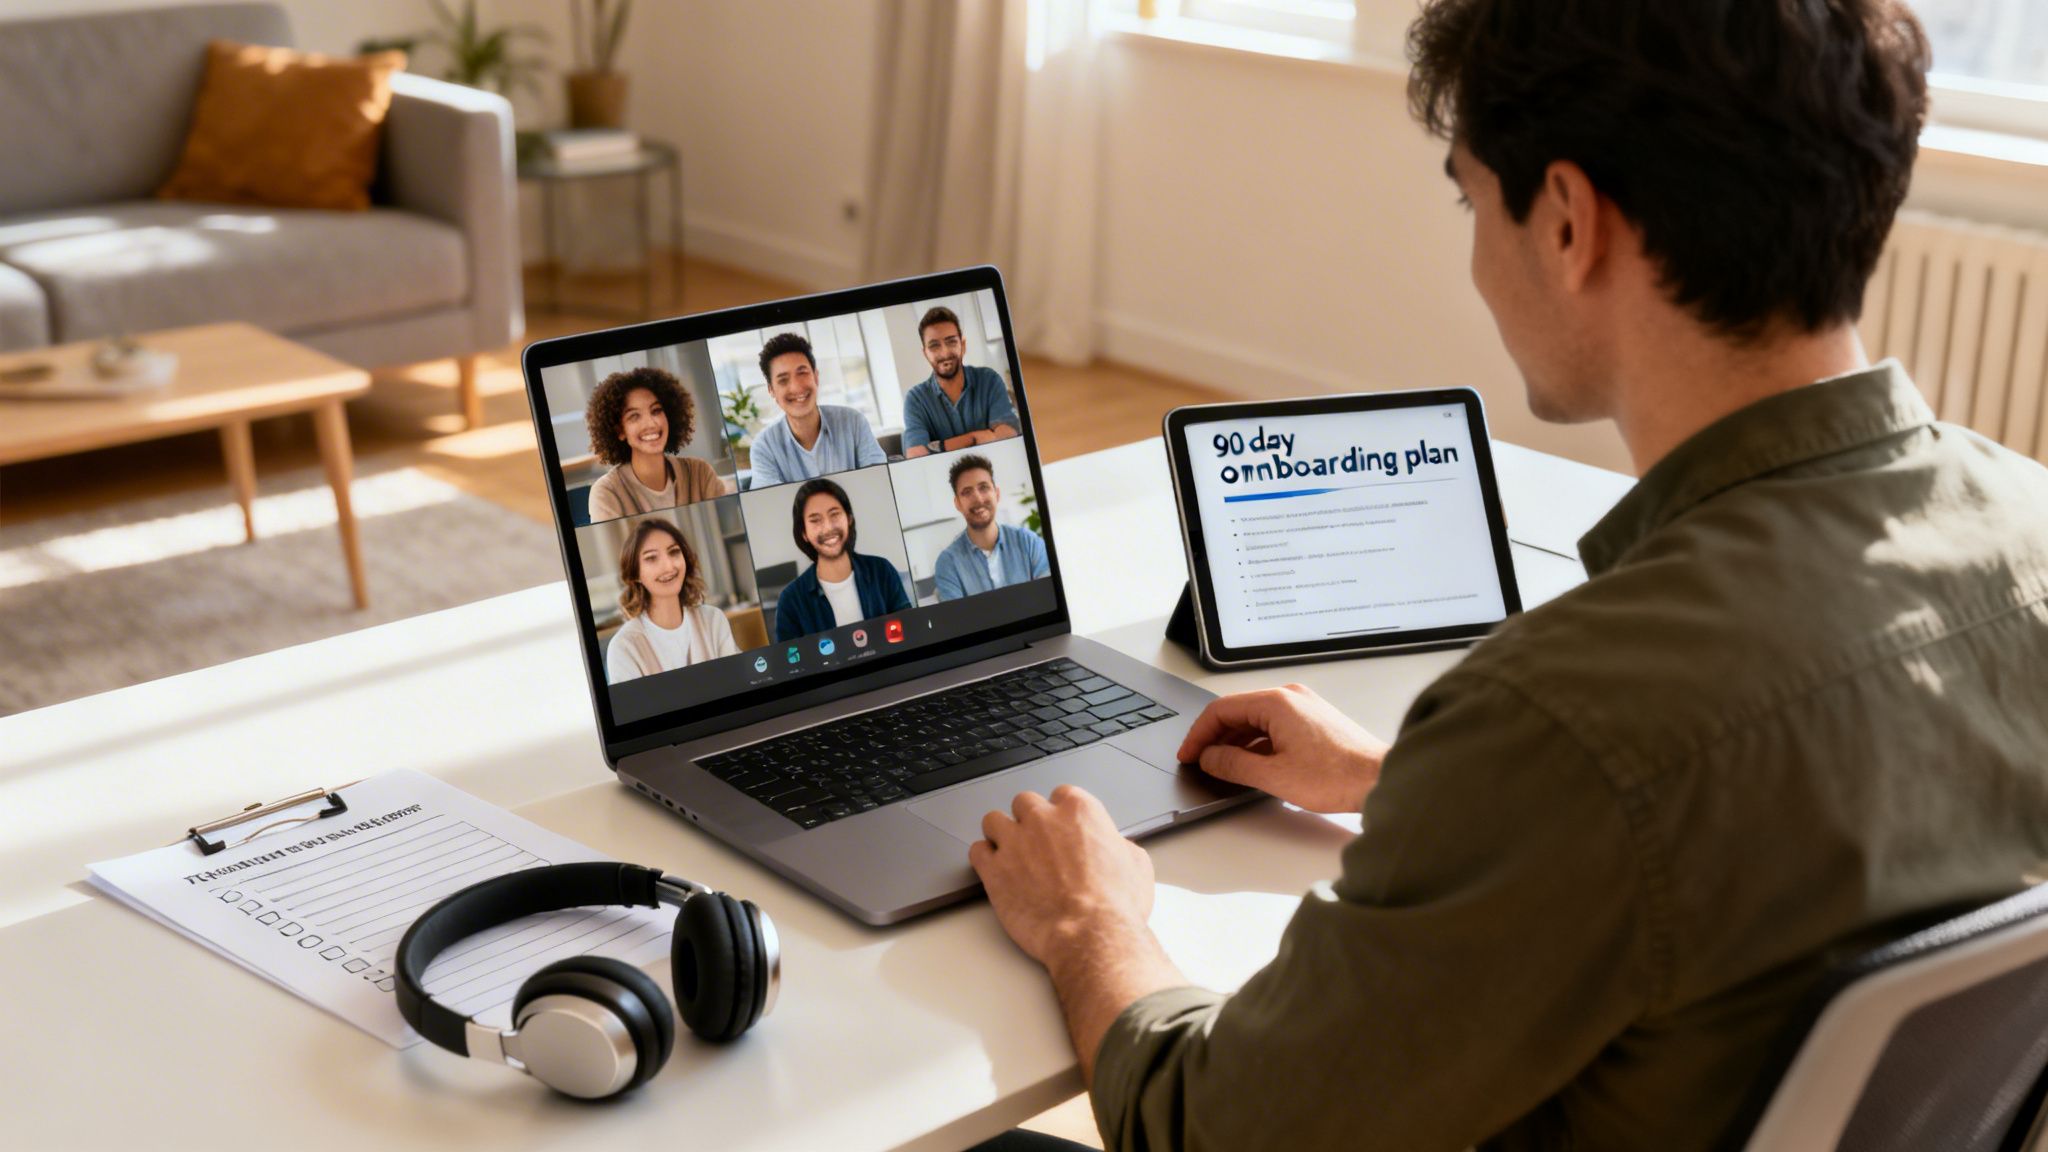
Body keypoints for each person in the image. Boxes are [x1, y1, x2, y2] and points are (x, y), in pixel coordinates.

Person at [966, 2, 2048, 1150]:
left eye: (1469, 196)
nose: (1476, 251)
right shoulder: (2028, 530)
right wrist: (1408, 783)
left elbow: (1207, 1126)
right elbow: (1787, 831)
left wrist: (1088, 919)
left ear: (1569, 222)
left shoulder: (1565, 721)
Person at [772, 476, 912, 641]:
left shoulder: (882, 570)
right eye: (815, 520)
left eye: (835, 515)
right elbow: (791, 662)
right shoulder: (790, 600)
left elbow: (910, 631)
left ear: (849, 519)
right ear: (804, 533)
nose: (828, 528)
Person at [584, 366, 729, 522]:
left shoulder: (700, 473)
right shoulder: (607, 493)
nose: (651, 423)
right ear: (620, 431)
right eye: (634, 416)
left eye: (656, 410)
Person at [746, 331, 888, 488]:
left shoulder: (853, 422)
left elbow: (880, 482)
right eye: (783, 380)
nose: (796, 387)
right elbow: (771, 505)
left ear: (816, 377)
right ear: (771, 390)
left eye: (802, 373)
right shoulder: (764, 447)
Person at [605, 518, 739, 682]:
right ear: (635, 574)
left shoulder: (713, 620)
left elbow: (737, 682)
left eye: (674, 552)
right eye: (652, 558)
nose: (668, 566)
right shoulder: (624, 647)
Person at [901, 306, 1019, 457]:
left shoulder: (989, 380)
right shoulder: (915, 399)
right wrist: (975, 438)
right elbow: (916, 455)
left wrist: (937, 446)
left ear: (962, 345)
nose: (944, 353)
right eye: (934, 346)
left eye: (951, 342)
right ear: (925, 353)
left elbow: (1008, 434)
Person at [932, 453, 1048, 600]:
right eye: (967, 492)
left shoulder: (1029, 542)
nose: (978, 499)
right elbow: (959, 620)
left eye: (984, 488)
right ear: (958, 504)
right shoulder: (948, 564)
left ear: (997, 494)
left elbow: (1047, 599)